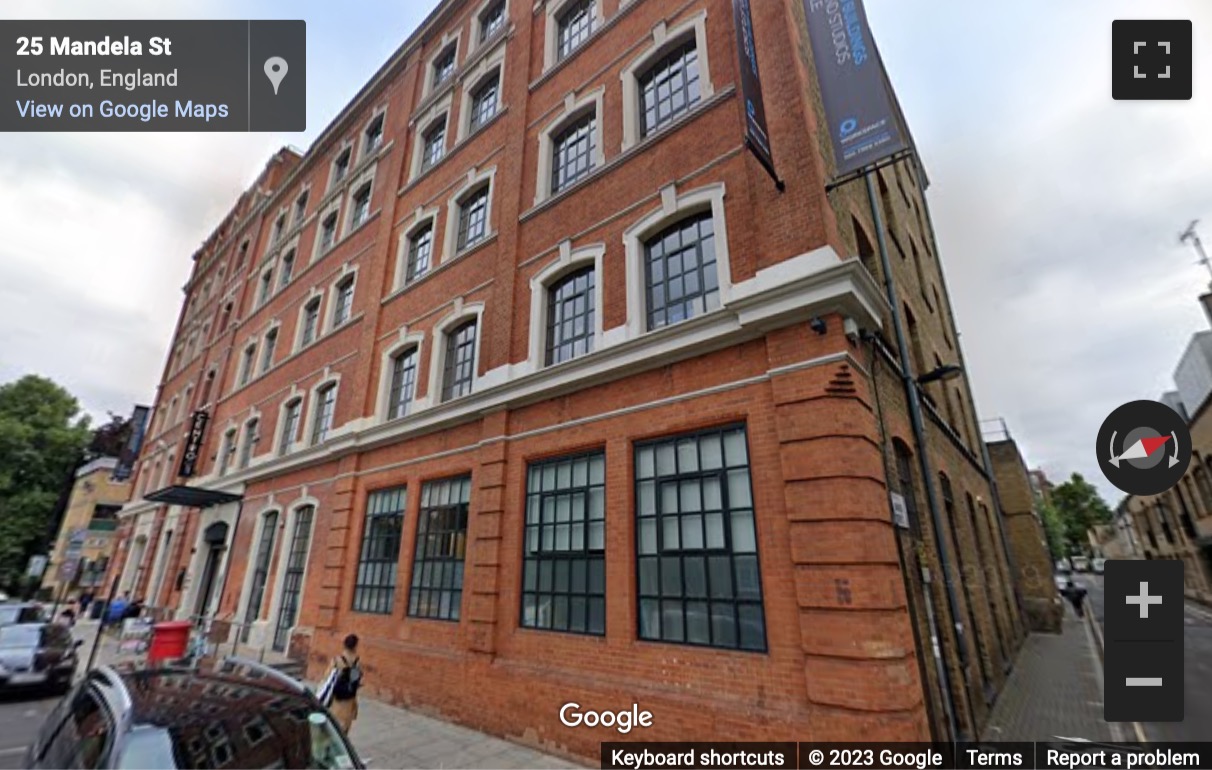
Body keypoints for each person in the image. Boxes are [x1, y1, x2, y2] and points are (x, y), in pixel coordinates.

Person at [327, 634, 363, 733]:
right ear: (355, 646)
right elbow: (357, 681)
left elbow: (327, 679)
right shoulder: (358, 662)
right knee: (345, 730)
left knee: (333, 727)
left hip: (336, 700)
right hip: (349, 700)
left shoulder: (336, 660)